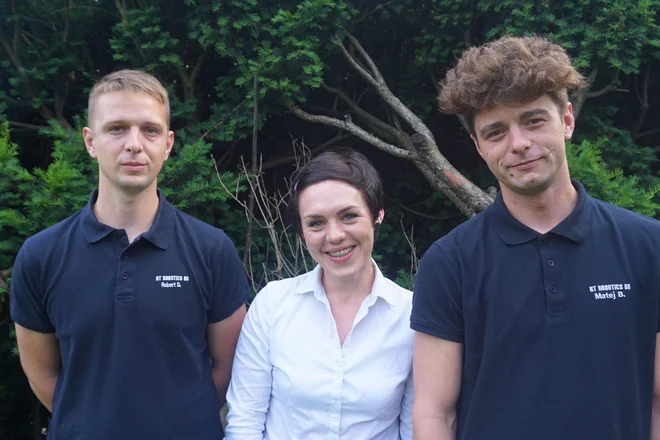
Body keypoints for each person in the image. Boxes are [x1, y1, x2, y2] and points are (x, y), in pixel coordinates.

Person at [410, 36, 660, 440]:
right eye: (496, 132)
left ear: (567, 120)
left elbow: (658, 402)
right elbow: (434, 414)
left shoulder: (649, 248)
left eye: (533, 120)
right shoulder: (450, 262)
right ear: (478, 146)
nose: (519, 144)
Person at [10, 69, 249, 440]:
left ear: (168, 144)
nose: (134, 144)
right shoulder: (41, 255)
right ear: (90, 141)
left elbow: (226, 368)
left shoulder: (211, 249)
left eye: (149, 130)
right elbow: (42, 374)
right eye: (117, 128)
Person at [225, 148, 414, 439]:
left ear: (378, 215)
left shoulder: (411, 314)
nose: (335, 235)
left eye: (349, 216)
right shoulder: (273, 304)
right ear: (301, 232)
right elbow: (245, 421)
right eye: (316, 223)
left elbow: (415, 427)